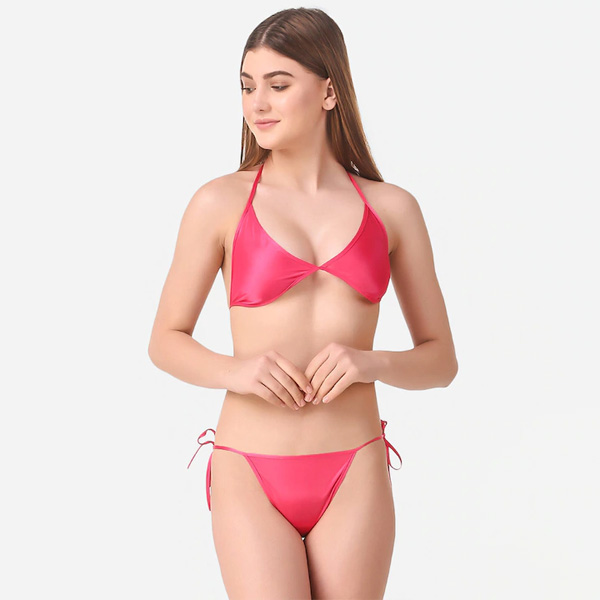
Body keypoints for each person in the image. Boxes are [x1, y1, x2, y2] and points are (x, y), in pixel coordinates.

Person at [148, 7, 458, 599]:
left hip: (354, 466)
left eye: (278, 85)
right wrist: (236, 371)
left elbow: (441, 361)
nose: (257, 103)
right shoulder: (218, 203)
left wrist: (371, 363)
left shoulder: (392, 209)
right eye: (247, 86)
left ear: (329, 92)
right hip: (250, 467)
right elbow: (165, 340)